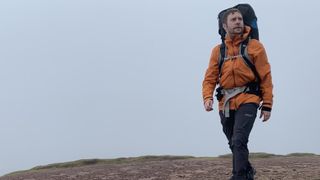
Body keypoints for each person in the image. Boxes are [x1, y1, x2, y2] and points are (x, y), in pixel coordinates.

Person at [202, 8, 273, 180]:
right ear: (225, 25)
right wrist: (207, 97)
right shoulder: (218, 51)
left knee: (239, 139)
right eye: (233, 19)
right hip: (225, 102)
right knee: (233, 142)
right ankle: (247, 171)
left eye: (240, 19)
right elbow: (210, 78)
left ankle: (239, 176)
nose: (238, 22)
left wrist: (267, 104)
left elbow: (265, 76)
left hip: (249, 98)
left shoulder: (255, 47)